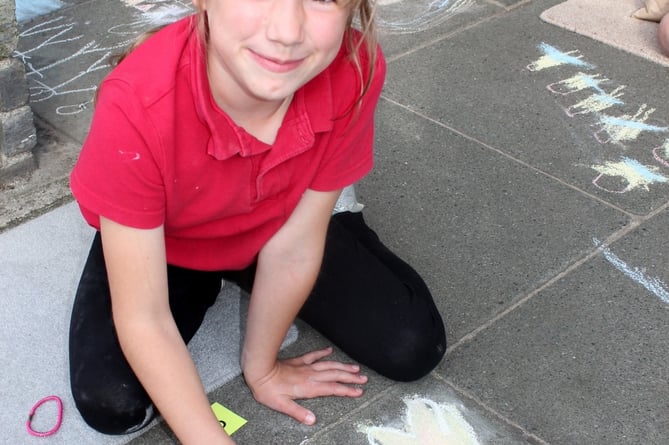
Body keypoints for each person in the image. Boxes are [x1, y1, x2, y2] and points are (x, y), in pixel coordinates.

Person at [67, 0, 447, 443]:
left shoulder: (354, 65)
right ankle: (170, 255)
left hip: (284, 218)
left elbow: (296, 246)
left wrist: (262, 368)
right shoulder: (134, 103)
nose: (287, 30)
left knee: (412, 347)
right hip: (172, 238)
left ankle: (342, 223)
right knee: (113, 403)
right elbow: (144, 316)